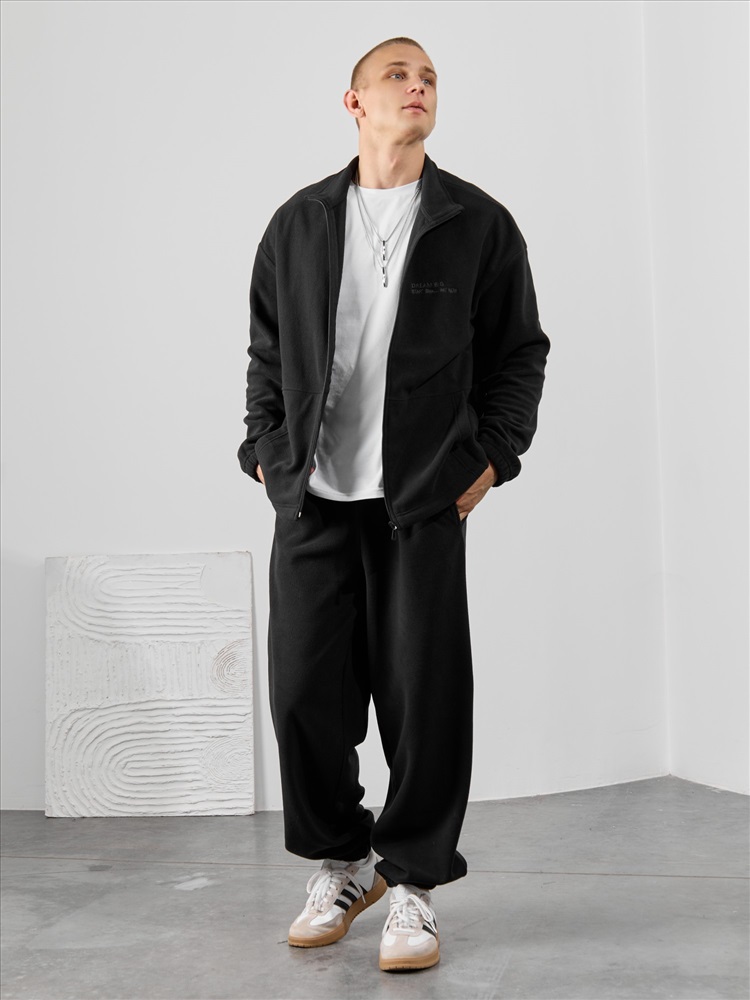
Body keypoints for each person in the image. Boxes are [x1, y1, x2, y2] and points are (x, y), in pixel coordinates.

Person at [238, 36, 550, 973]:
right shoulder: (298, 223)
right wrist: (267, 453)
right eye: (397, 76)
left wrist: (492, 459)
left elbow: (519, 355)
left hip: (421, 502)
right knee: (303, 697)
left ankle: (413, 883)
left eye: (429, 79)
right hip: (314, 501)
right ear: (355, 102)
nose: (417, 87)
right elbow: (266, 353)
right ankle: (342, 865)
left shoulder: (476, 223)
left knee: (424, 698)